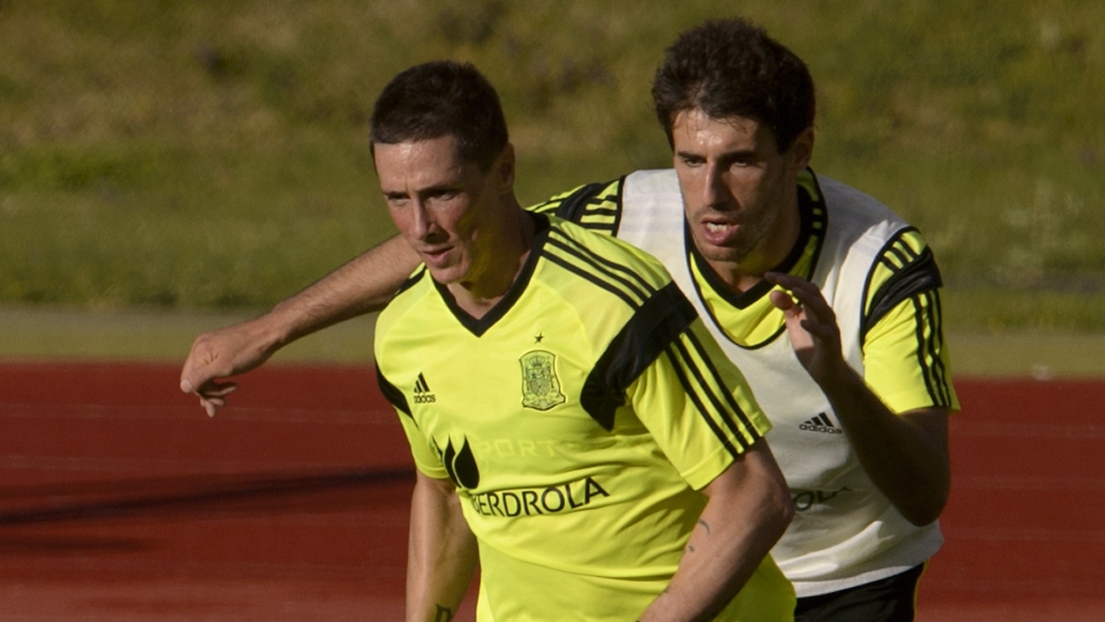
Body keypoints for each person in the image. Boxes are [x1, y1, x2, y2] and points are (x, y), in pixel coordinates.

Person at [182, 18, 958, 622]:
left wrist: (831, 374)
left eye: (741, 162)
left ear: (799, 154)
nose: (710, 195)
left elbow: (921, 492)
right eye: (690, 161)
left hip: (842, 569)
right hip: (690, 557)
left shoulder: (877, 264)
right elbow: (462, 230)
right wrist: (270, 328)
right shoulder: (626, 212)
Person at [325, 59, 797, 620]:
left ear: (504, 170)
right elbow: (446, 494)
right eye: (398, 199)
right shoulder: (404, 331)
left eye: (443, 193)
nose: (421, 227)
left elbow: (755, 494)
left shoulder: (614, 301)